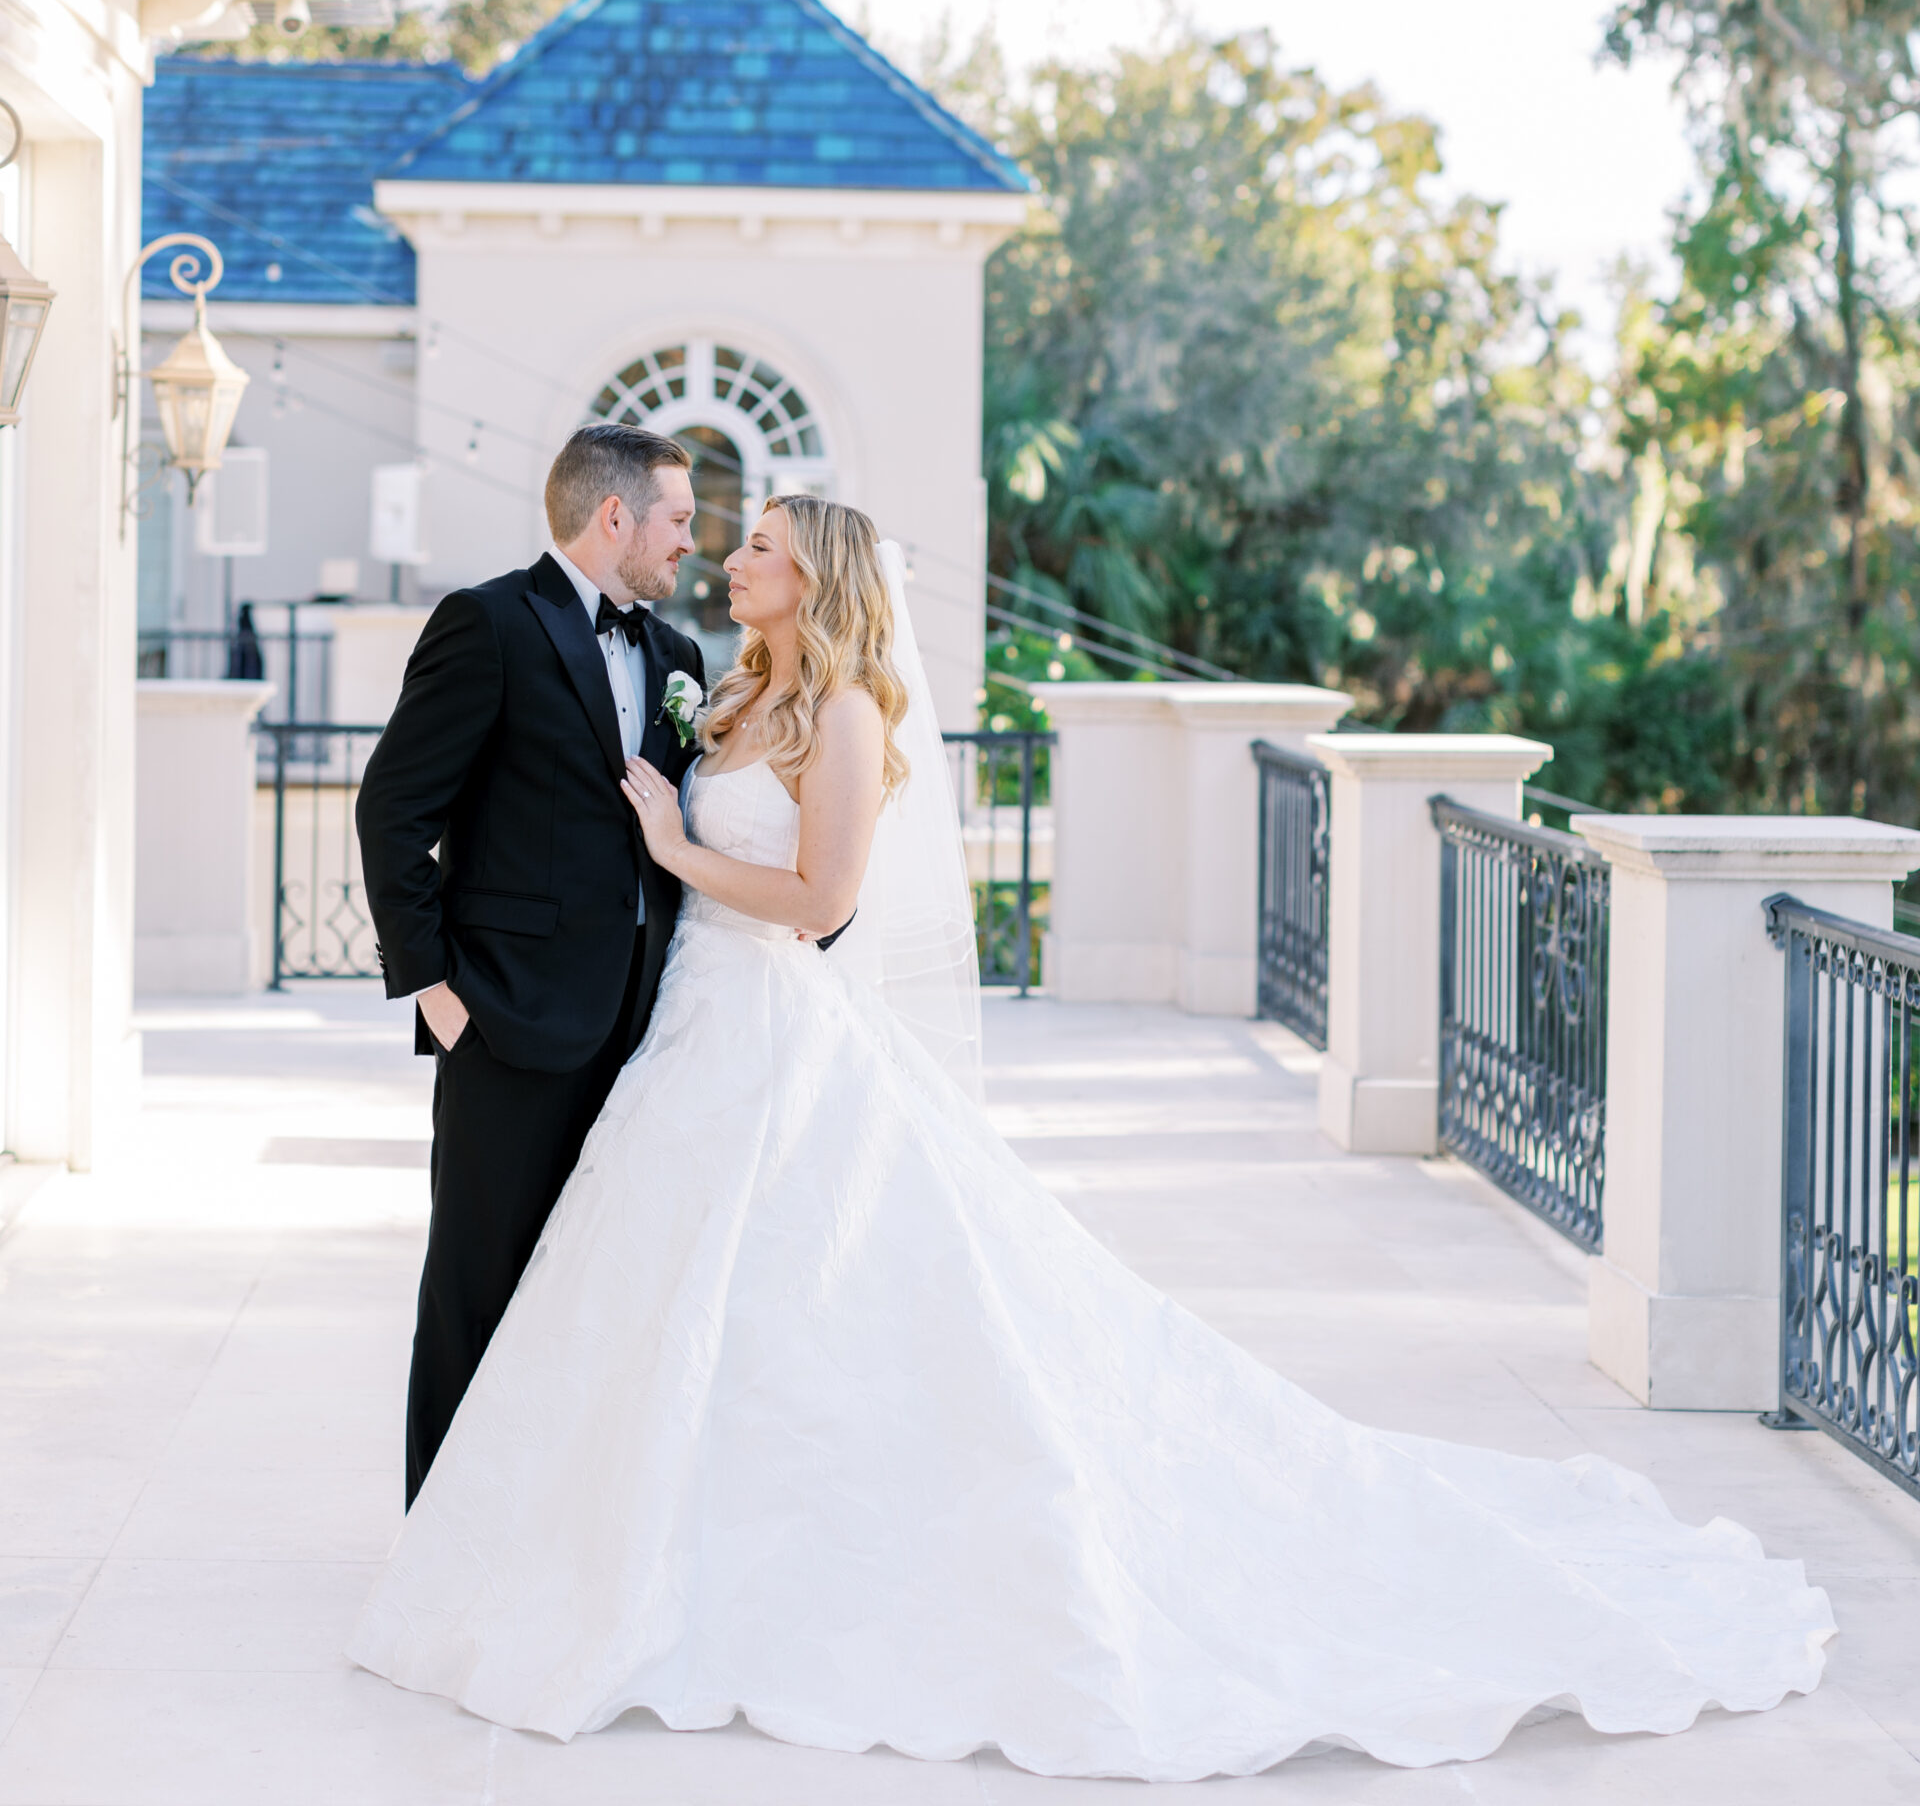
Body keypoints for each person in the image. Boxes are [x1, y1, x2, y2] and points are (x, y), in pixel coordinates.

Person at [349, 495, 1833, 1779]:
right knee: (661, 1315)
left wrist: (678, 847)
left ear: (825, 580)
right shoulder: (725, 692)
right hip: (678, 1036)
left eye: (762, 546)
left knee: (800, 1309)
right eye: (729, 539)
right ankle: (599, 1549)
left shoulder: (854, 714)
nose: (731, 555)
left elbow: (823, 905)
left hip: (769, 1039)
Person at [355, 424, 706, 1505]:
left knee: (595, 1295)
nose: (692, 543)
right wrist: (436, 991)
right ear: (616, 517)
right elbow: (393, 808)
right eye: (680, 520)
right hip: (505, 1025)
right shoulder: (490, 623)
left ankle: (549, 1532)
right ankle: (439, 1542)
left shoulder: (679, 658)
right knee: (476, 1288)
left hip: (642, 1034)